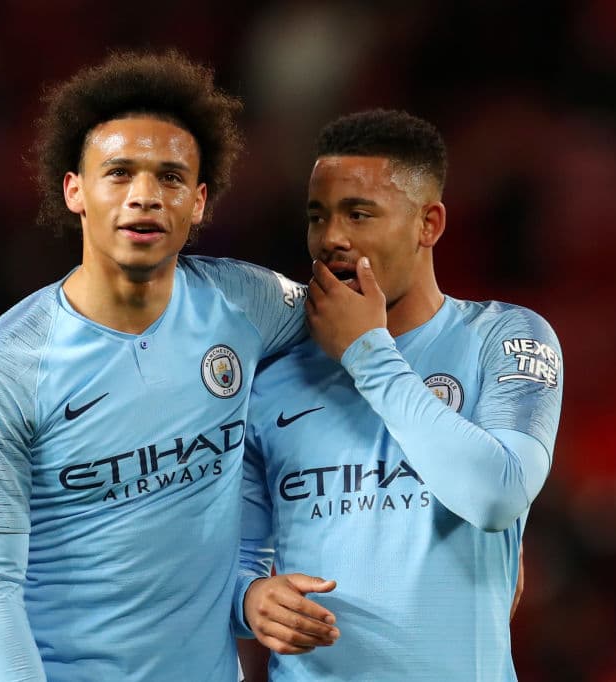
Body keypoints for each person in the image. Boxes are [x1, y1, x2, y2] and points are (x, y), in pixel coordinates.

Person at [0, 51, 335, 682]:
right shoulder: (5, 364)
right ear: (75, 189)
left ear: (201, 201)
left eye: (172, 177)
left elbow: (367, 343)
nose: (146, 197)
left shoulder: (248, 305)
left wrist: (478, 537)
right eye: (120, 173)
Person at [236, 109, 563, 680]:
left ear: (428, 224)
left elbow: (496, 494)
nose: (332, 238)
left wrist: (367, 352)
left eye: (359, 214)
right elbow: (230, 559)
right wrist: (250, 599)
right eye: (318, 216)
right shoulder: (269, 380)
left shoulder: (503, 337)